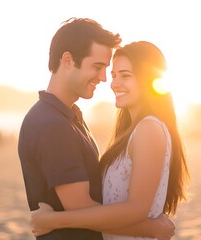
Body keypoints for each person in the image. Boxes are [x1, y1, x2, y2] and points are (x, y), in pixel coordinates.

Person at [18, 18, 175, 240]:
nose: (104, 80)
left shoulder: (70, 119)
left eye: (122, 74)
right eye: (99, 68)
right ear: (68, 60)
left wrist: (52, 220)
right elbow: (80, 207)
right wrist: (151, 228)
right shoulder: (51, 124)